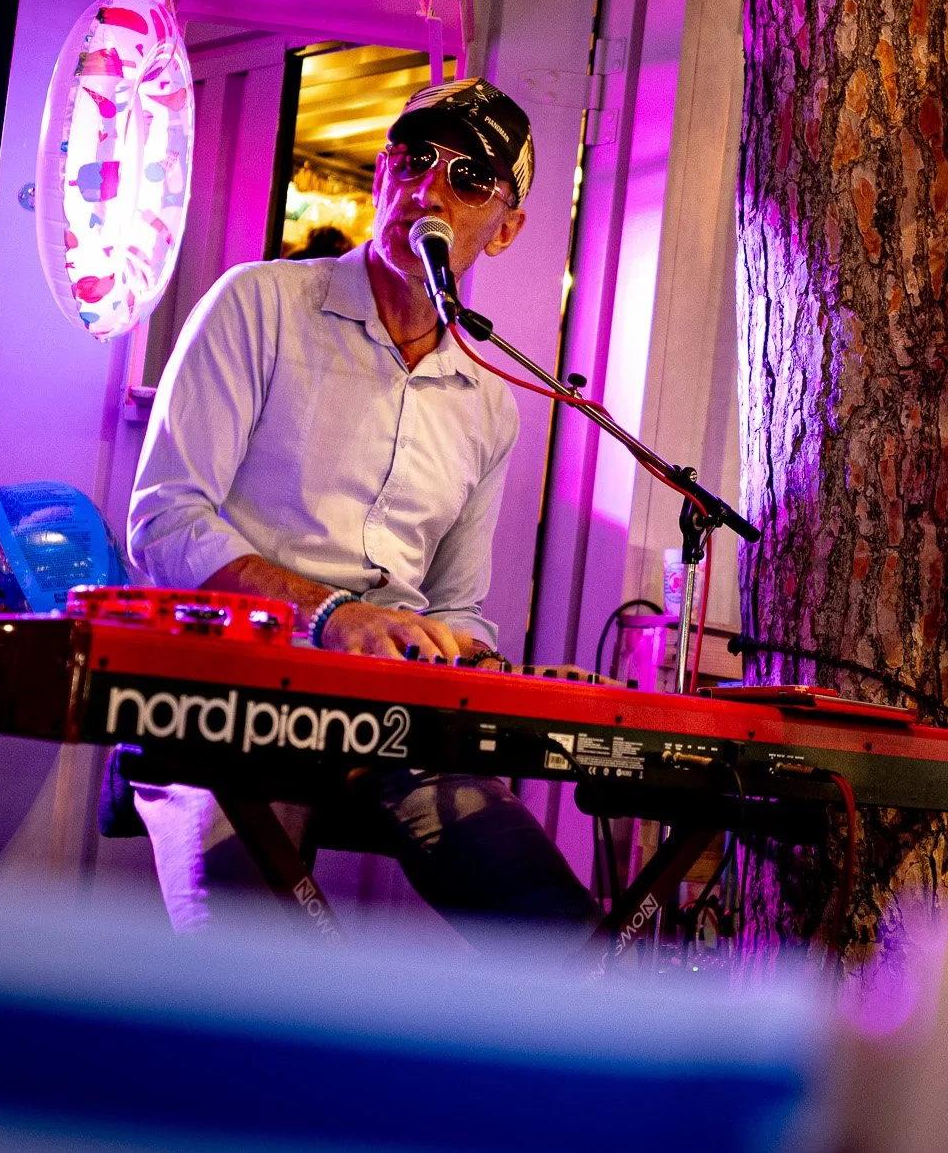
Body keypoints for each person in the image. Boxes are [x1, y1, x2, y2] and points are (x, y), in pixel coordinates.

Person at [124, 78, 595, 936]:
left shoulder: (491, 402)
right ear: (383, 173)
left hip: (397, 724)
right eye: (414, 159)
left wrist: (489, 671)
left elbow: (454, 609)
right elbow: (165, 520)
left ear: (509, 225)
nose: (431, 189)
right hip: (228, 708)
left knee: (560, 934)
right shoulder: (259, 304)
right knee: (258, 977)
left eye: (470, 177)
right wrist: (330, 615)